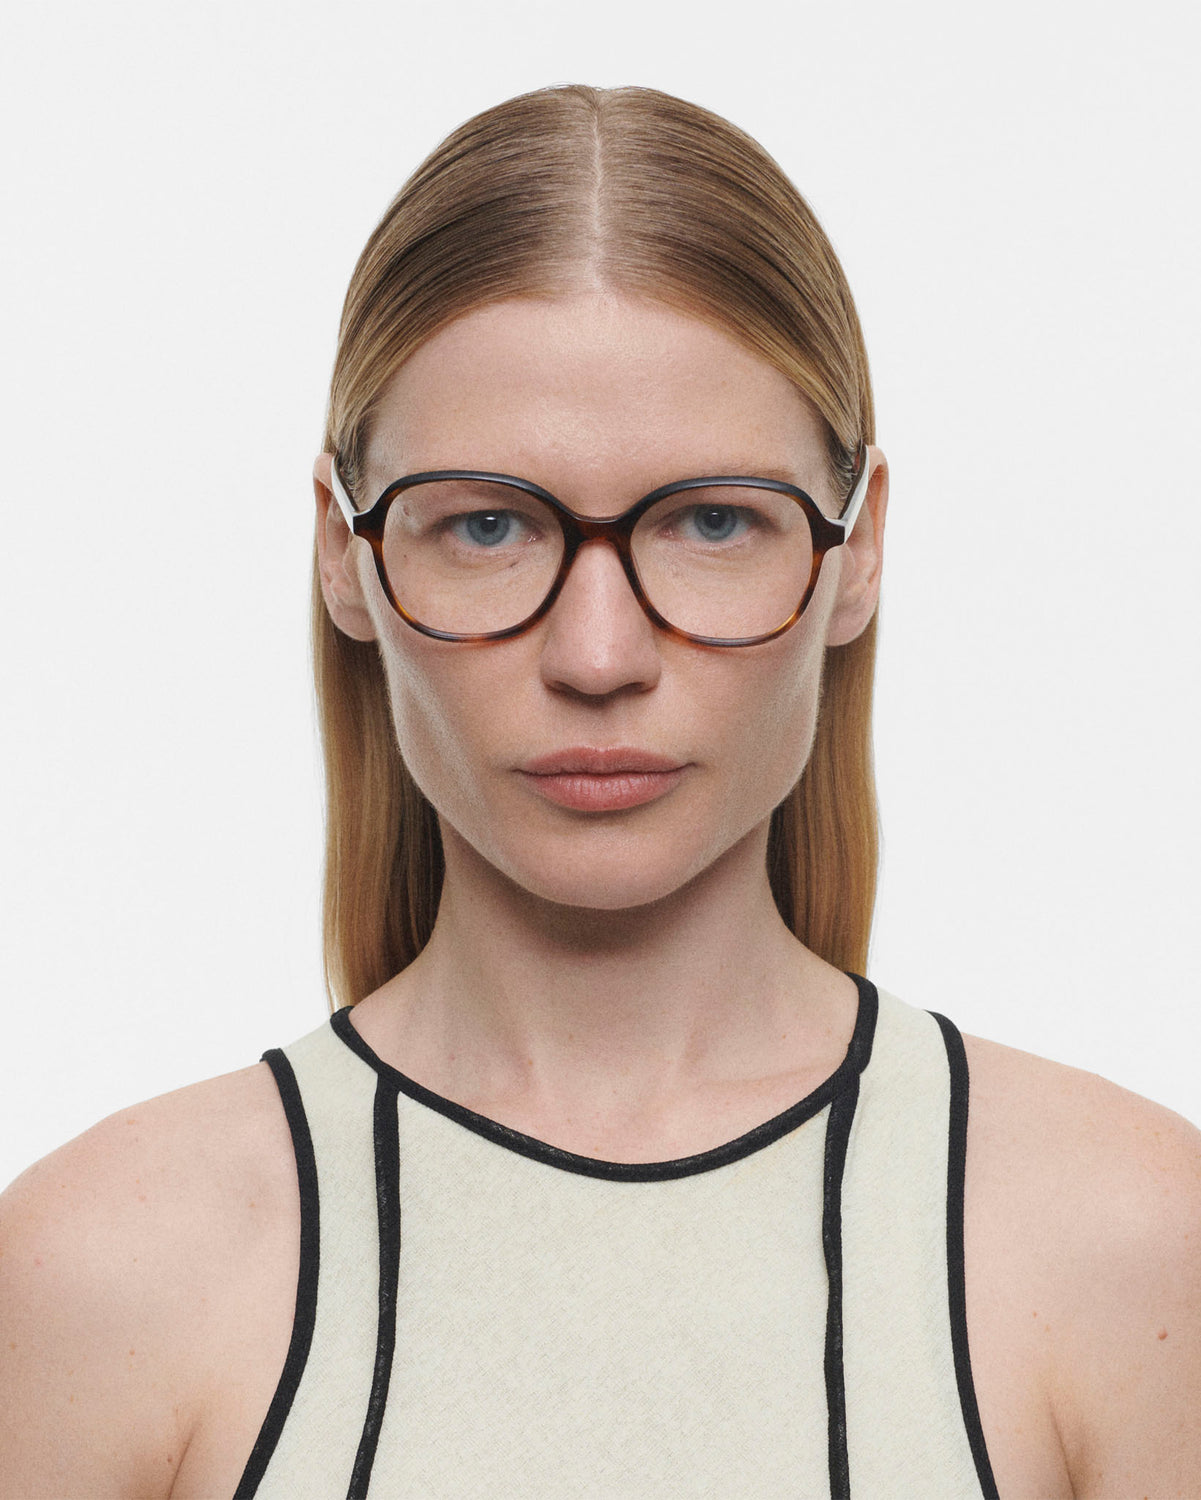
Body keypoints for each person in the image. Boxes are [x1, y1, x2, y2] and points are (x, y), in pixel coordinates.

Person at [1, 82, 1198, 1500]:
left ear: (857, 546)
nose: (597, 655)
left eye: (712, 521)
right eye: (486, 526)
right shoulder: (98, 1278)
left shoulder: (1130, 1245)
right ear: (345, 552)